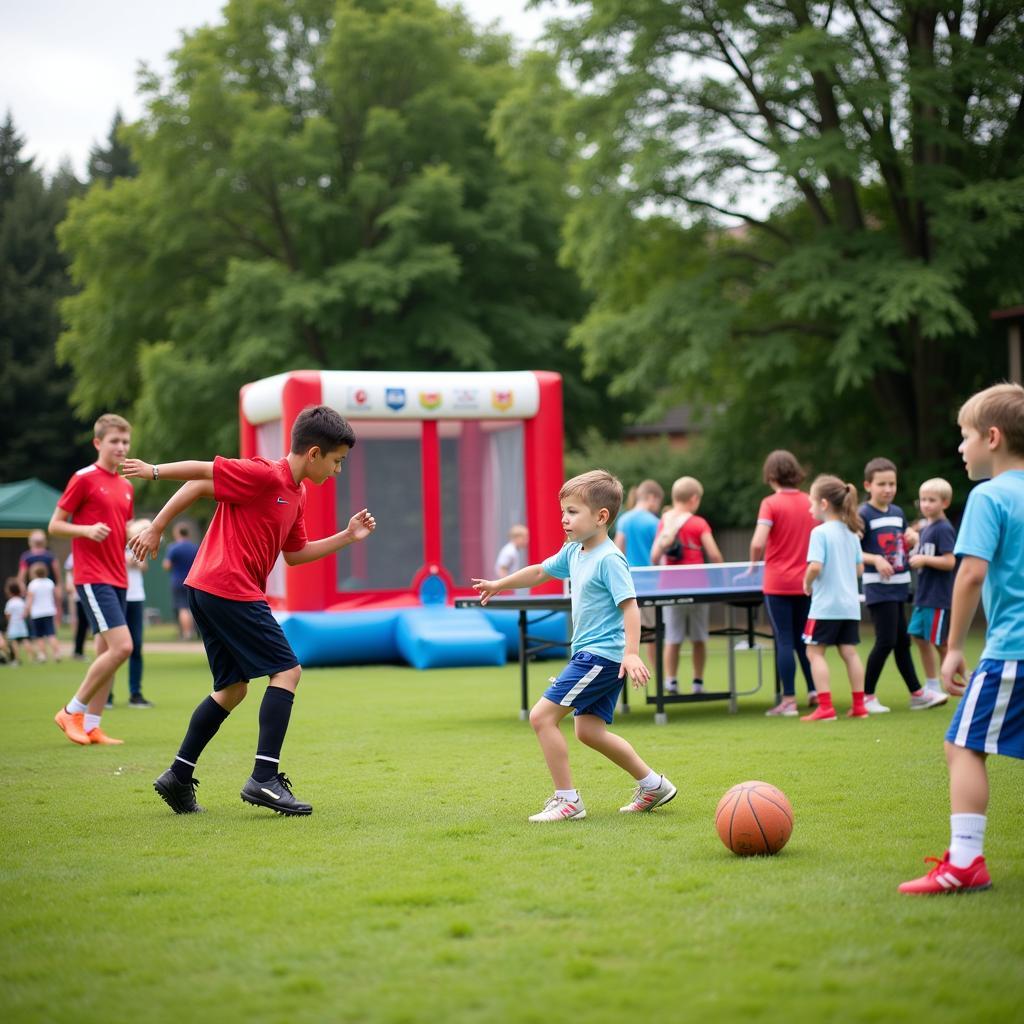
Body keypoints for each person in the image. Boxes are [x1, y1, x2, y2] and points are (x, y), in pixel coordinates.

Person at [123, 404, 376, 816]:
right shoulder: (264, 474)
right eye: (337, 461)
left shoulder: (298, 492)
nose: (338, 471)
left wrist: (347, 536)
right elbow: (199, 477)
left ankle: (178, 776)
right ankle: (264, 778)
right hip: (228, 587)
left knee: (232, 689)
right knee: (288, 671)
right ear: (314, 454)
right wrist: (154, 501)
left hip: (209, 589)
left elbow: (294, 554)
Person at [473, 470, 676, 822]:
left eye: (573, 511)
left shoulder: (610, 559)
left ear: (601, 517)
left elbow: (630, 606)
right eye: (563, 511)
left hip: (600, 656)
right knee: (589, 731)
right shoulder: (574, 552)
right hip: (593, 655)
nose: (564, 519)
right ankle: (653, 784)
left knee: (541, 717)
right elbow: (539, 571)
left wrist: (631, 653)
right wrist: (500, 583)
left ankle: (568, 800)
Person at [899, 382, 1024, 894]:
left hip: (1012, 651)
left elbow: (970, 575)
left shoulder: (989, 496)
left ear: (992, 437)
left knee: (962, 745)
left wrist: (952, 647)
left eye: (965, 436)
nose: (960, 447)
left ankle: (966, 862)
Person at [49, 413, 135, 747]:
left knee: (106, 651)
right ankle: (71, 710)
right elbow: (55, 525)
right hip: (92, 576)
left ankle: (91, 726)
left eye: (125, 442)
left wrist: (141, 533)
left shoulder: (127, 486)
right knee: (122, 647)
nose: (121, 447)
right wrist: (85, 529)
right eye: (114, 441)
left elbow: (124, 528)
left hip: (119, 576)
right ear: (98, 443)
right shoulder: (83, 478)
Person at [859, 457, 946, 713]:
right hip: (878, 587)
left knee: (901, 642)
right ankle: (866, 697)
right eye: (881, 484)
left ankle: (917, 693)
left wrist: (912, 539)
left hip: (899, 586)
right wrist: (875, 558)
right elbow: (853, 550)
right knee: (885, 641)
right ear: (868, 485)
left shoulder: (897, 514)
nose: (888, 489)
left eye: (892, 484)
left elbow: (902, 544)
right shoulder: (863, 514)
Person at [749, 451, 819, 716]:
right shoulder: (811, 502)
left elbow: (758, 541)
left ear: (770, 475)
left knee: (785, 640)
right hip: (807, 583)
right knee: (806, 639)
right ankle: (814, 691)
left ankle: (788, 700)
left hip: (778, 583)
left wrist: (753, 564)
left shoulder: (770, 503)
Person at [800, 475, 868, 722]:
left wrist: (806, 583)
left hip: (825, 607)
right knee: (849, 652)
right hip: (850, 606)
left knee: (814, 654)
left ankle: (825, 707)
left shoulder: (820, 533)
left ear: (824, 504)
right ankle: (859, 706)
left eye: (812, 502)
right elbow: (859, 569)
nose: (810, 508)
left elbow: (815, 566)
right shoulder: (852, 533)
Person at [650, 476, 724, 695]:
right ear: (694, 499)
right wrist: (721, 574)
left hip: (669, 589)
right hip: (698, 588)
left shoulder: (665, 521)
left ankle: (670, 681)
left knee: (672, 638)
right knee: (699, 637)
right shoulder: (699, 523)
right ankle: (697, 682)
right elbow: (714, 554)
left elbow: (653, 557)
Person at [907, 478, 958, 701]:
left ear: (944, 503)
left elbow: (950, 562)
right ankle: (932, 684)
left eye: (932, 500)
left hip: (937, 597)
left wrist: (925, 559)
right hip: (923, 596)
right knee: (918, 636)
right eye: (923, 500)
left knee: (941, 643)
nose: (926, 504)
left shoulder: (944, 528)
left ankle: (958, 679)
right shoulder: (928, 527)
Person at [614, 478, 664, 665]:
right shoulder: (655, 522)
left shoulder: (624, 519)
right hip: (652, 586)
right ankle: (656, 676)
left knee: (626, 635)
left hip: (627, 587)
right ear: (652, 498)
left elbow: (618, 550)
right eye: (658, 502)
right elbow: (660, 557)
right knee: (654, 634)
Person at [120, 519, 153, 707]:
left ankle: (135, 694)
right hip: (119, 597)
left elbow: (143, 566)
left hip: (136, 598)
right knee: (114, 650)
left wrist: (136, 562)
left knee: (136, 647)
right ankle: (106, 696)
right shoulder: (115, 544)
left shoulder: (136, 544)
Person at [163, 524, 200, 640]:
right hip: (193, 581)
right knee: (193, 607)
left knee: (183, 608)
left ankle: (187, 634)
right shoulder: (195, 547)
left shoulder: (173, 547)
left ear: (178, 533)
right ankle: (197, 632)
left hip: (178, 581)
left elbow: (167, 565)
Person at [25, 563, 61, 663]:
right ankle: (57, 654)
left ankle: (43, 655)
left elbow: (30, 599)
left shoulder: (33, 584)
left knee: (39, 635)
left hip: (37, 613)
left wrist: (26, 610)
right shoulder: (50, 582)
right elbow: (55, 596)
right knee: (51, 634)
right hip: (49, 611)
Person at [17, 529, 63, 600]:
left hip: (33, 592)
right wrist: (59, 588)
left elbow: (21, 578)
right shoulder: (50, 556)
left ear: (30, 542)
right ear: (44, 542)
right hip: (49, 592)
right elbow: (58, 577)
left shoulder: (26, 557)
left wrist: (23, 590)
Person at [64, 553, 90, 660]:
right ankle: (78, 651)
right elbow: (70, 571)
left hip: (90, 592)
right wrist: (70, 583)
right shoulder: (74, 555)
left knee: (85, 624)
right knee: (82, 624)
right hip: (82, 593)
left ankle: (78, 650)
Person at [3, 578, 30, 666]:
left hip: (13, 625)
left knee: (14, 642)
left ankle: (16, 659)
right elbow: (25, 613)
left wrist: (9, 624)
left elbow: (8, 615)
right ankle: (32, 657)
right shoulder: (21, 601)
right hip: (21, 624)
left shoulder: (10, 603)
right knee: (25, 640)